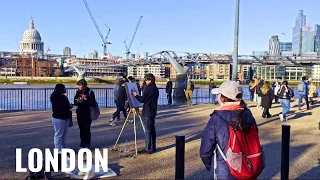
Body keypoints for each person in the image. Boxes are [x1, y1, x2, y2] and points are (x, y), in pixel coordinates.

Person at [200, 81, 259, 179]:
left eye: (219, 94)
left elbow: (205, 151)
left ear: (222, 98)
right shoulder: (248, 114)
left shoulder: (217, 118)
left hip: (226, 171)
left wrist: (212, 168)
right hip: (249, 167)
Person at [133, 73, 159, 154]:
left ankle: (148, 148)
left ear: (149, 80)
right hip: (153, 111)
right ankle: (153, 147)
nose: (145, 81)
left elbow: (142, 100)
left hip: (148, 111)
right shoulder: (155, 88)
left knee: (147, 130)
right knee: (152, 130)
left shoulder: (149, 88)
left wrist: (136, 95)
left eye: (146, 80)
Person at [74, 79, 97, 149]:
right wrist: (78, 101)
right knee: (81, 129)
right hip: (80, 113)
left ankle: (87, 143)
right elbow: (75, 102)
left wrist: (84, 101)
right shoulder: (78, 92)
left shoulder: (90, 92)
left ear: (84, 85)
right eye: (78, 85)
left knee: (86, 129)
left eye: (80, 85)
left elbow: (93, 103)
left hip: (87, 113)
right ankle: (82, 143)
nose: (79, 87)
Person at [50, 84, 73, 152]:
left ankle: (62, 148)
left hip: (60, 117)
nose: (65, 89)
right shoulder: (62, 97)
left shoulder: (54, 96)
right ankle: (59, 149)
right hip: (60, 117)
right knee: (60, 135)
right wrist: (71, 105)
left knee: (61, 134)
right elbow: (67, 106)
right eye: (64, 88)